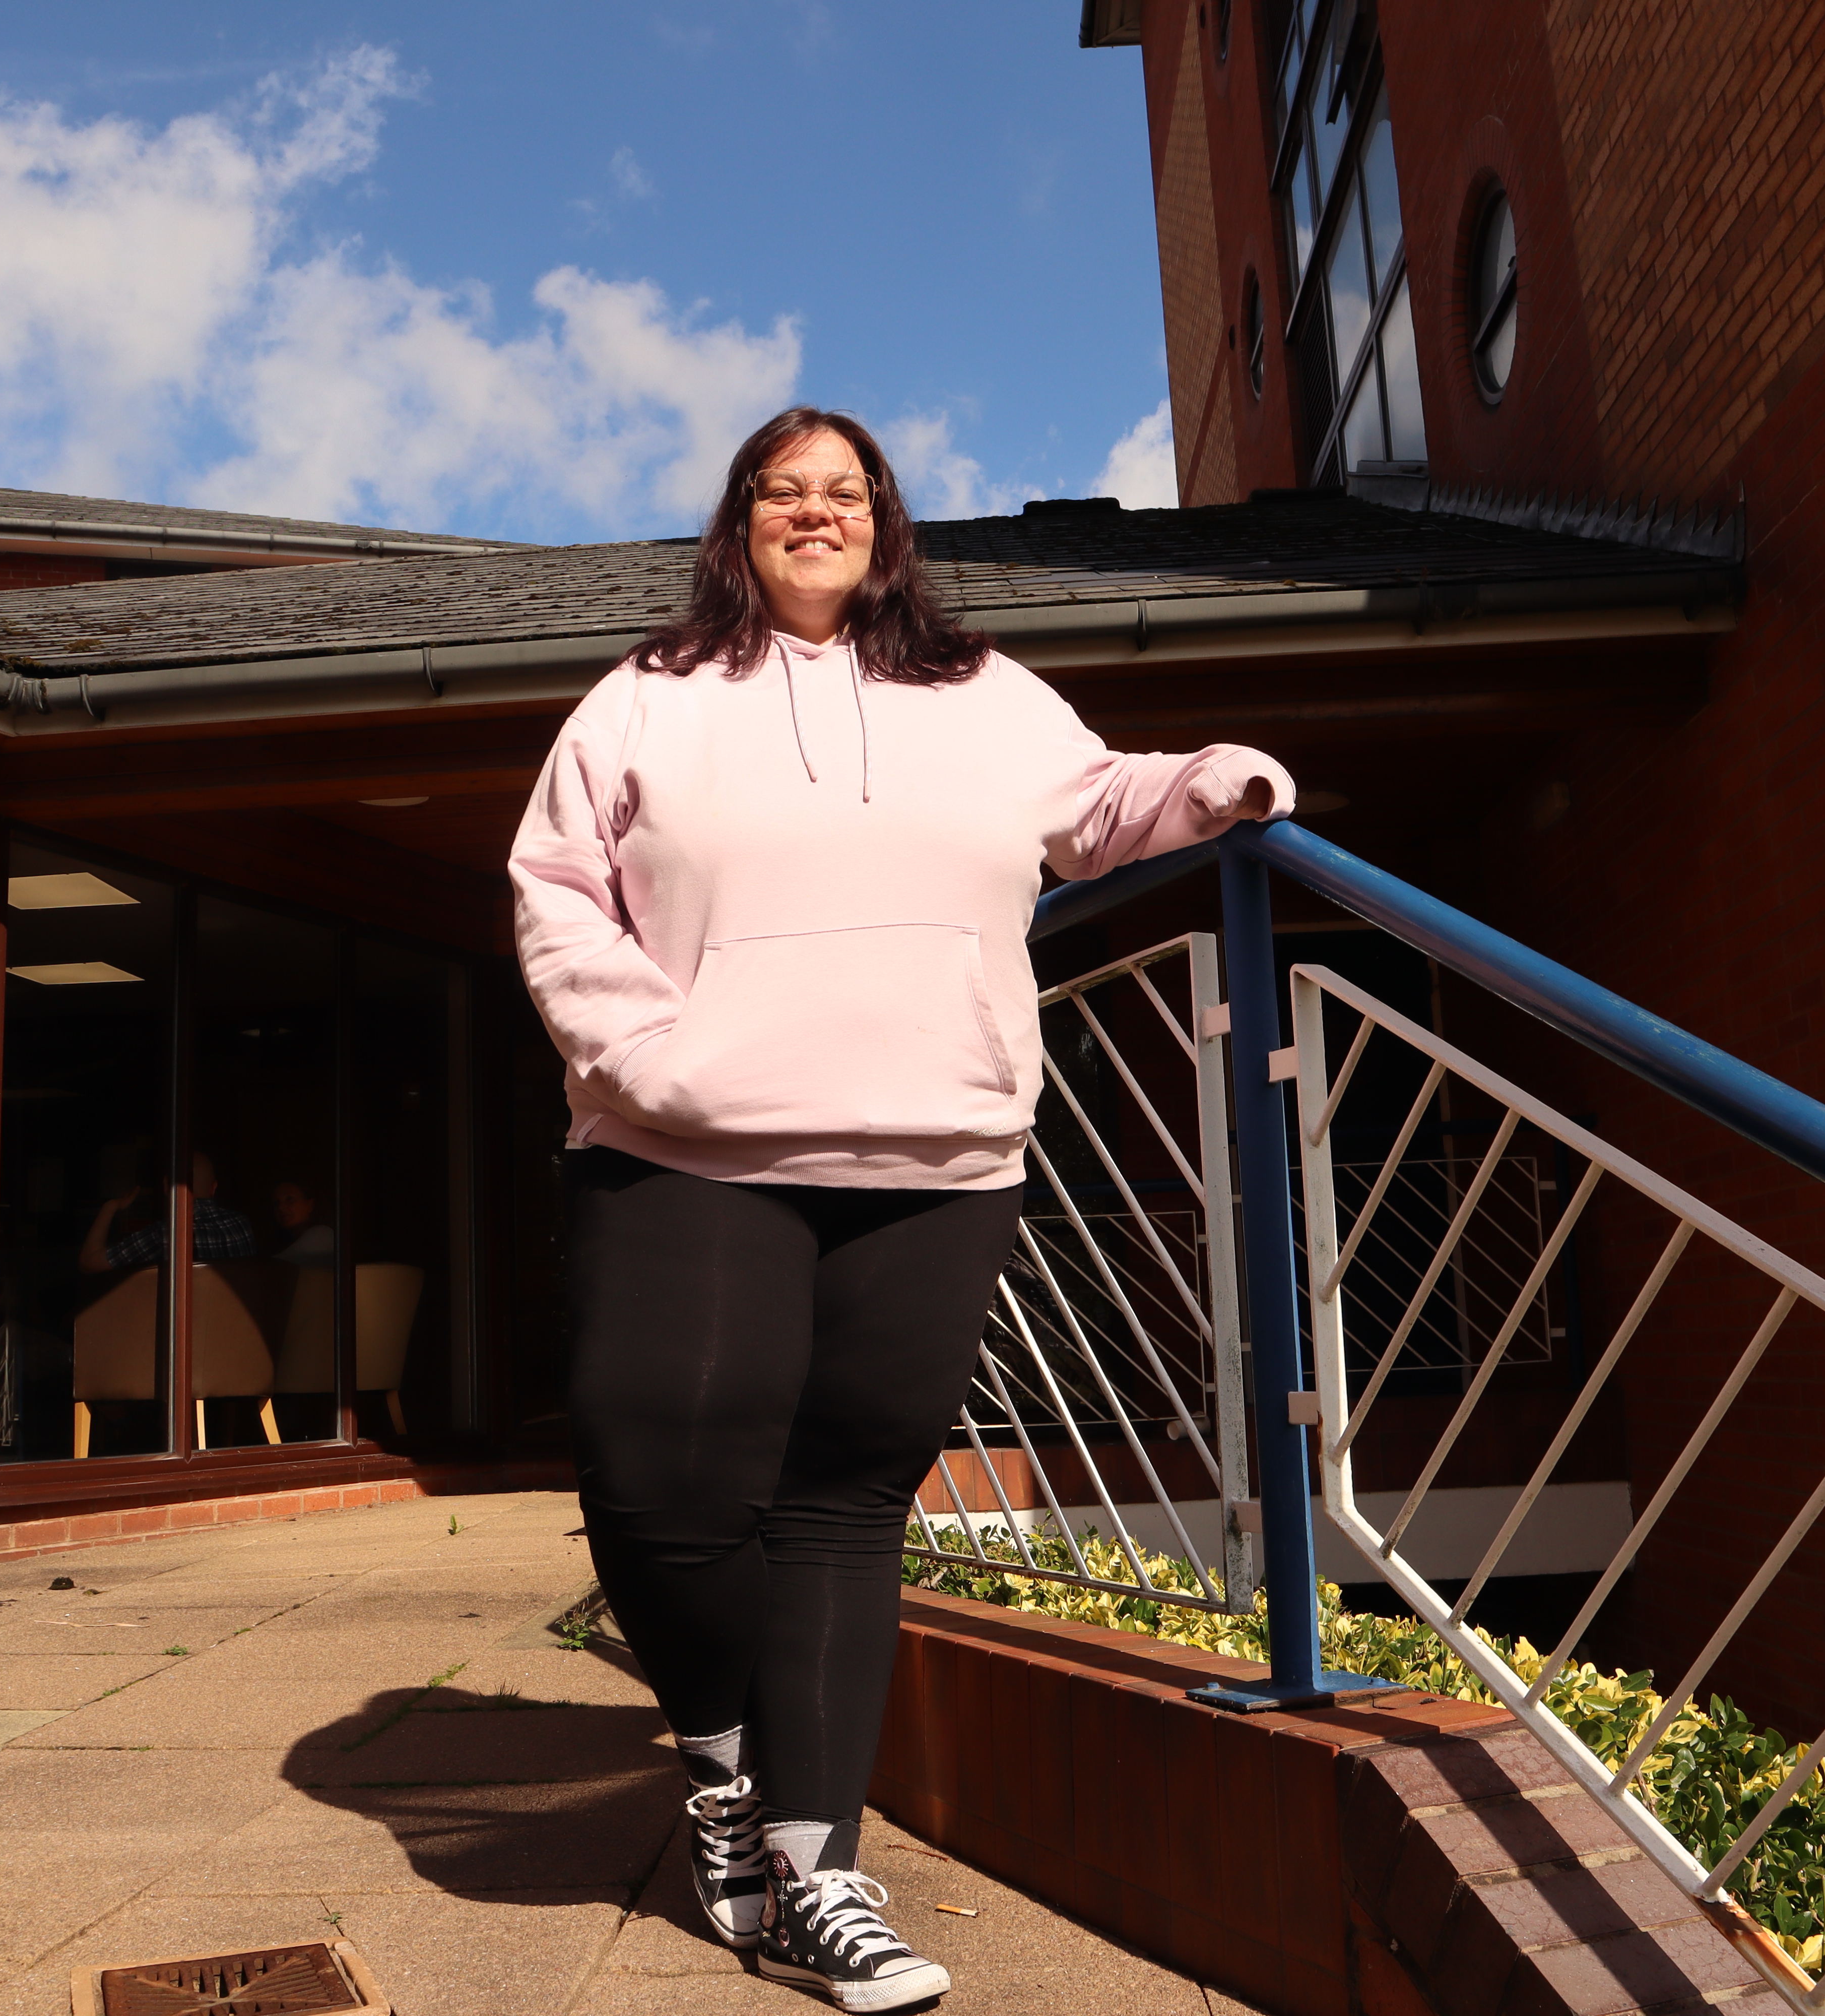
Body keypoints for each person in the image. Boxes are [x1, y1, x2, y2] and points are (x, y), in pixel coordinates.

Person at [509, 406, 1293, 2011]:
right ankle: (726, 1760)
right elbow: (556, 887)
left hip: (934, 1148)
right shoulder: (642, 698)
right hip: (685, 1142)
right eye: (783, 492)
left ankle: (814, 1866)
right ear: (737, 521)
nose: (816, 514)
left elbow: (1093, 806)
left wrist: (1213, 785)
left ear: (885, 524)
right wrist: (647, 1054)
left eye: (844, 493)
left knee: (846, 1503)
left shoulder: (983, 693)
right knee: (658, 1473)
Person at [77, 1151, 257, 1274]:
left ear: (166, 1187)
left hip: (183, 1329)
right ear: (214, 1187)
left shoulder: (165, 1234)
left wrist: (111, 1207)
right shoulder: (243, 1224)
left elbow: (88, 1262)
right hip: (233, 1326)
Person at [268, 1179, 335, 1266]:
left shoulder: (324, 1234)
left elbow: (274, 1266)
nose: (281, 1207)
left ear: (310, 1205)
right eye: (277, 1203)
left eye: (289, 1199)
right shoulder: (280, 1246)